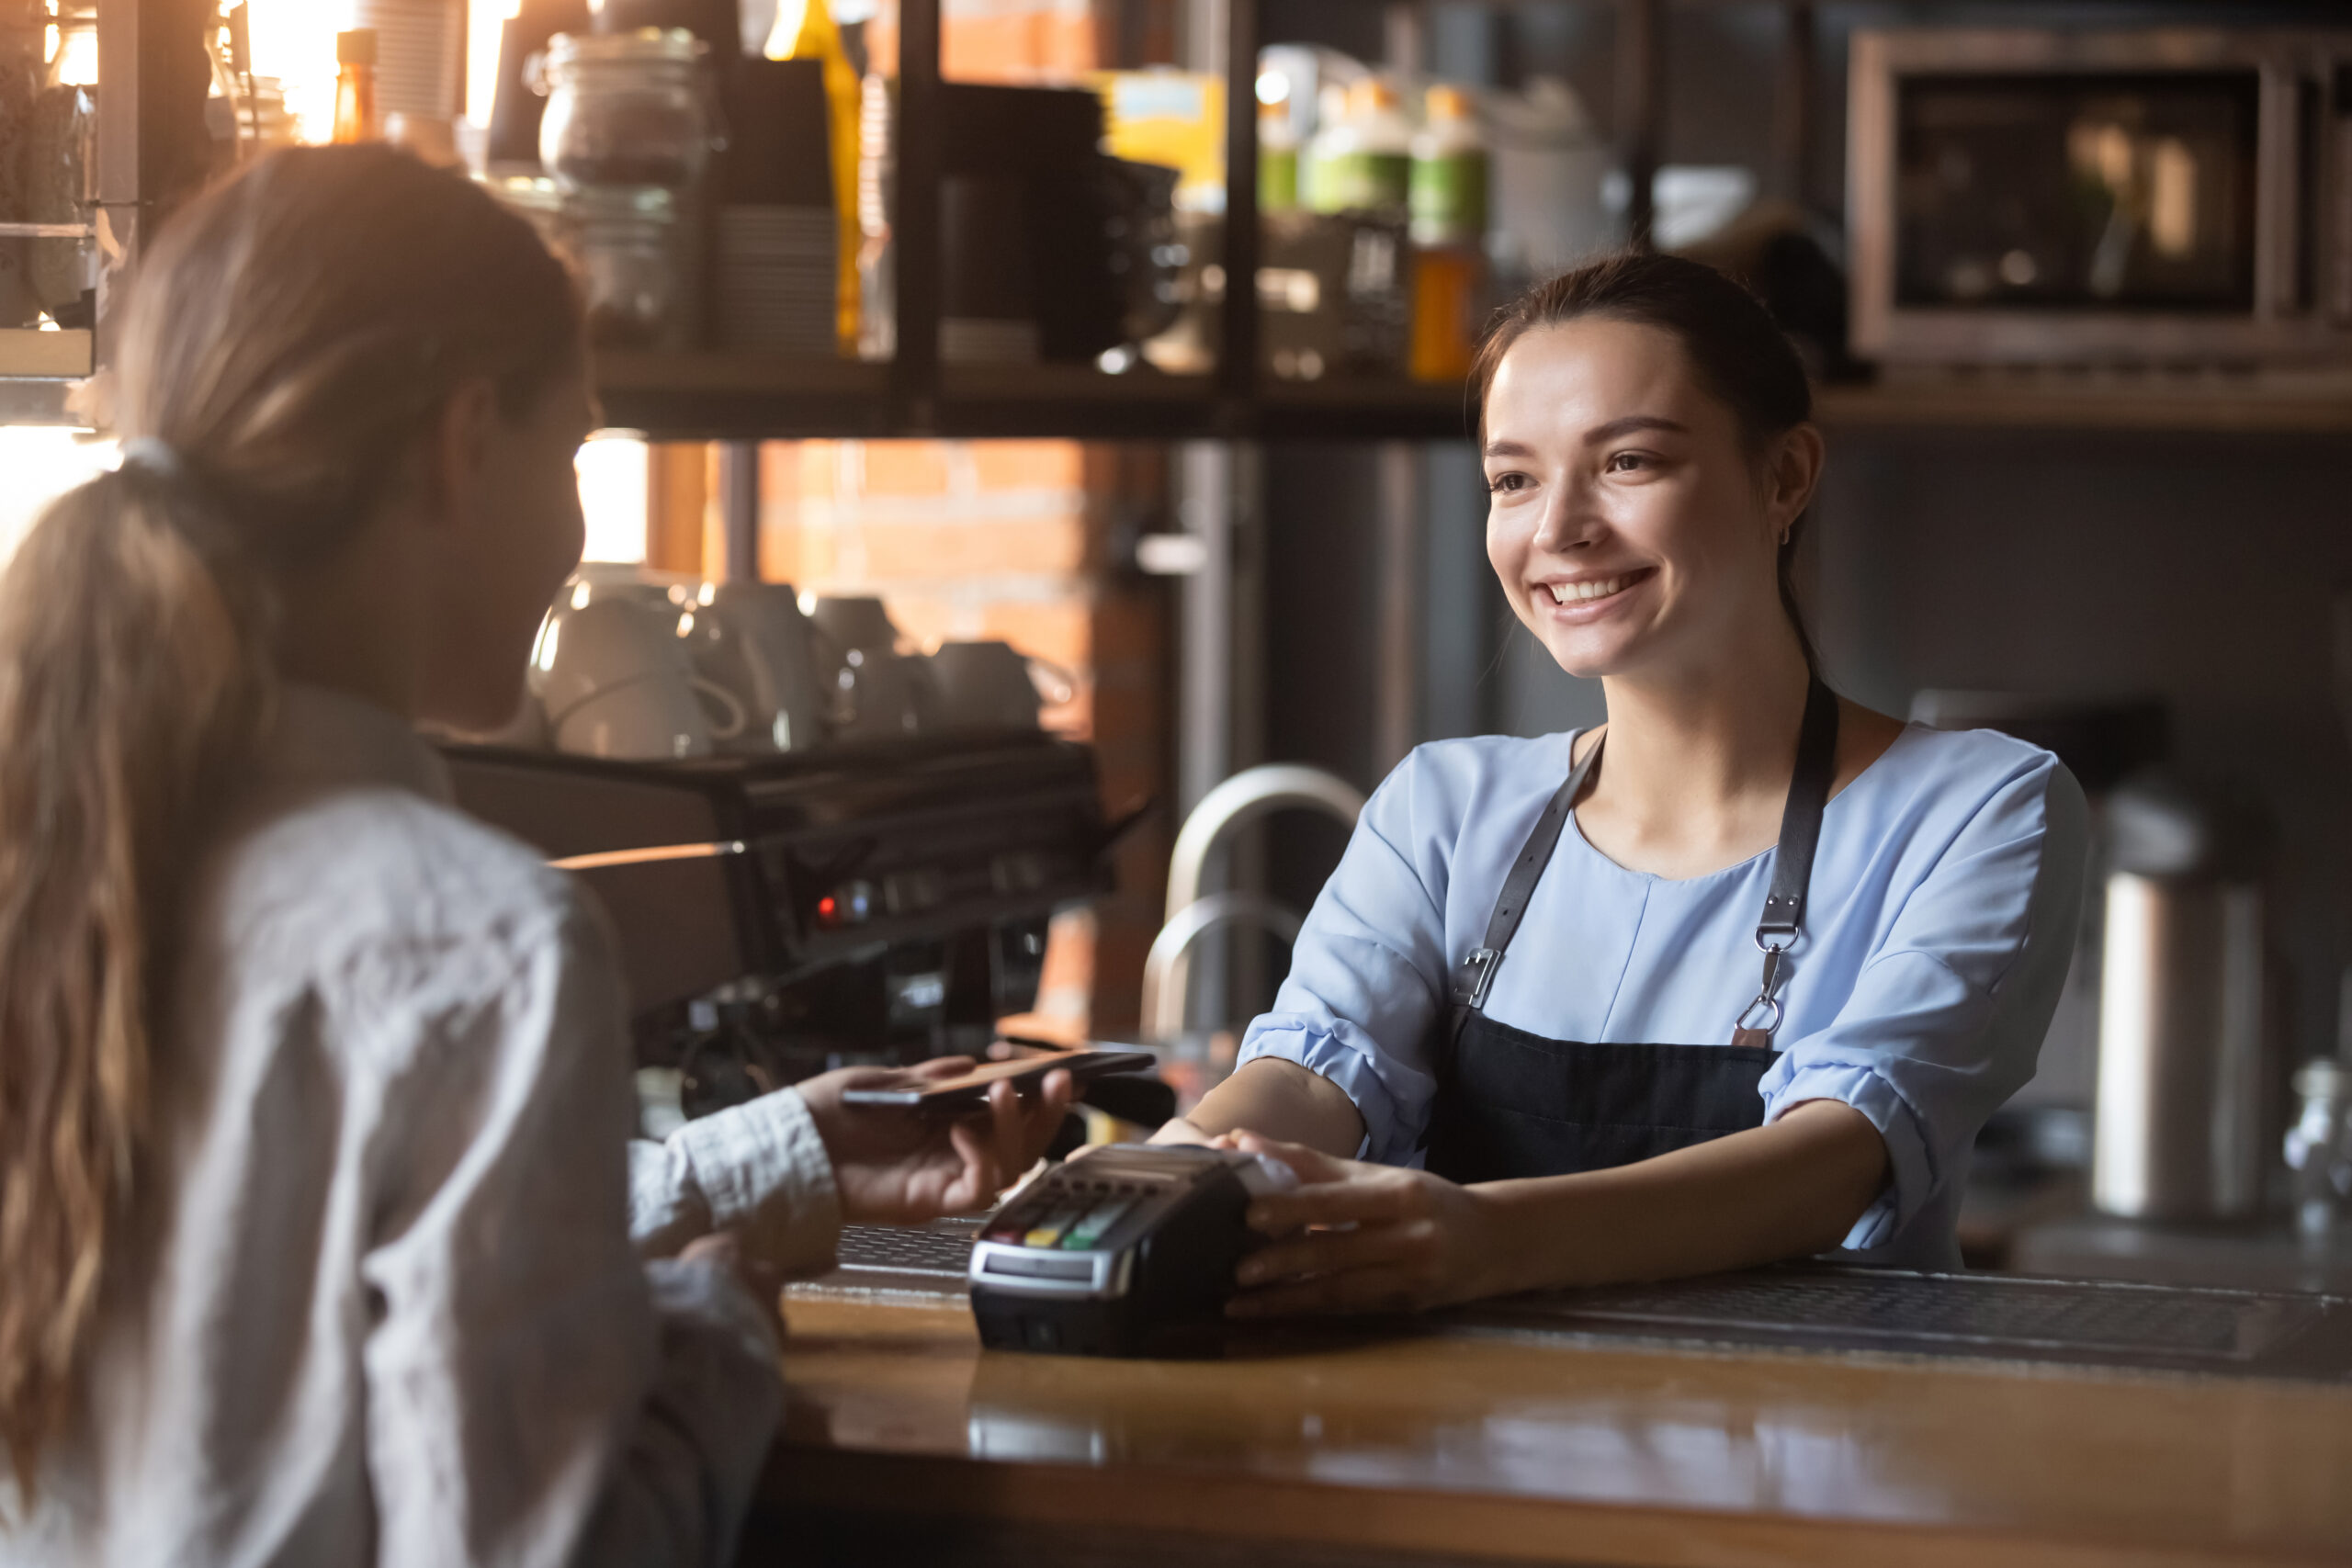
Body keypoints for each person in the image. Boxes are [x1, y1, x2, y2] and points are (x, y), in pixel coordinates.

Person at [0, 144, 1070, 1565]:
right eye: (573, 448)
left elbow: (291, 1274)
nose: (576, 526)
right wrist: (714, 1348)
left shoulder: (55, 854)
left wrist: (776, 1157)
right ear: (460, 441)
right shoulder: (482, 939)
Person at [1160, 253, 2086, 1314]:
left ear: (1783, 477)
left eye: (1629, 461)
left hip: (1816, 1455)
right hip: (1466, 1448)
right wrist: (1166, 1177)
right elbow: (1315, 1075)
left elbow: (1836, 1158)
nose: (1557, 530)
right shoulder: (1442, 809)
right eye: (1513, 479)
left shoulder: (1977, 808)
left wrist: (1485, 1237)